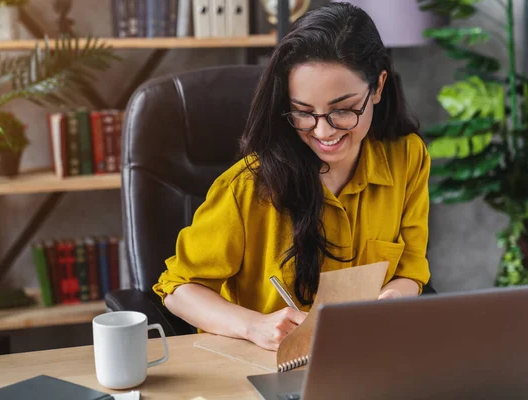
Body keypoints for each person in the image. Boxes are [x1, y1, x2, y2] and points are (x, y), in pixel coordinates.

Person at [153, 2, 431, 351]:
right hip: (262, 365)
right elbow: (178, 290)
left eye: (342, 110)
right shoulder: (248, 186)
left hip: (364, 355)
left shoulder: (407, 158)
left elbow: (412, 269)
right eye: (303, 113)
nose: (323, 131)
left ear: (377, 87)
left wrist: (393, 297)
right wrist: (255, 326)